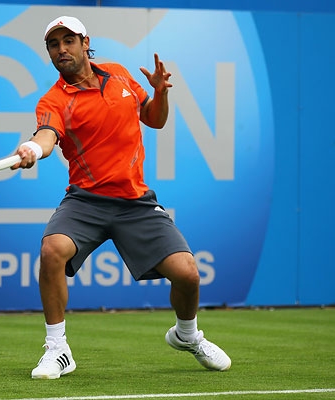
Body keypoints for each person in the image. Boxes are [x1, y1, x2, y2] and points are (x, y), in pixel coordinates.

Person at [12, 16, 231, 379]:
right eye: (53, 44)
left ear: (85, 43)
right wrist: (33, 148)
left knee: (188, 274)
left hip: (135, 201)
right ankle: (57, 349)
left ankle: (187, 335)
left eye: (69, 41)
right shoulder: (53, 100)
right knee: (52, 250)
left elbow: (154, 119)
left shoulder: (119, 74)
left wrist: (160, 93)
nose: (61, 49)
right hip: (86, 201)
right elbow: (46, 135)